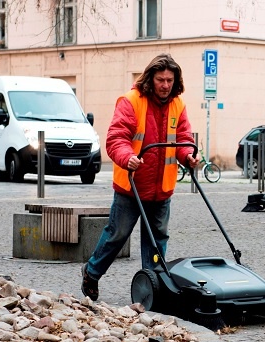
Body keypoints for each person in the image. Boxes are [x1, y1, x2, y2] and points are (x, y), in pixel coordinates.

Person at [81, 54, 199, 301]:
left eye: (169, 80)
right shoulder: (131, 101)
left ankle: (153, 288)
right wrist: (127, 158)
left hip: (161, 188)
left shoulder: (178, 104)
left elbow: (182, 139)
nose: (165, 85)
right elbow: (116, 138)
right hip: (132, 186)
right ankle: (91, 272)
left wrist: (188, 156)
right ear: (150, 78)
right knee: (117, 235)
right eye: (160, 80)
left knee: (157, 241)